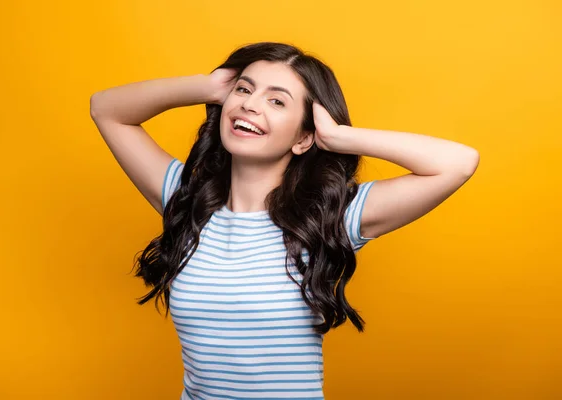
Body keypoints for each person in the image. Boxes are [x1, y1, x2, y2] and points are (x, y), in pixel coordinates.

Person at [90, 42, 479, 399]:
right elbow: (106, 109)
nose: (250, 105)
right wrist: (206, 87)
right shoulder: (186, 199)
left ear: (304, 138)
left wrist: (340, 137)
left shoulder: (328, 217)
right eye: (244, 90)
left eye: (277, 101)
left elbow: (457, 164)